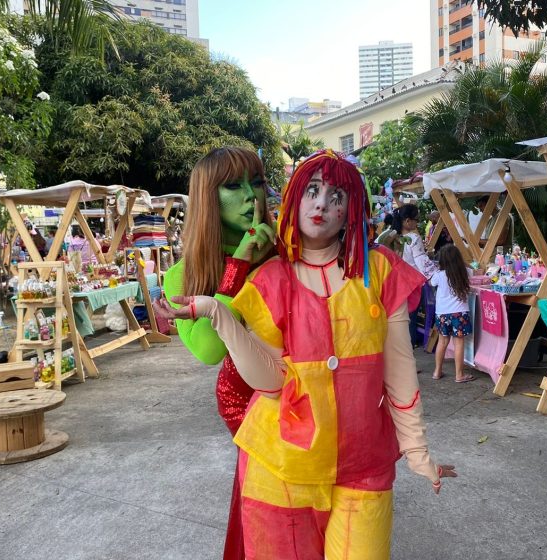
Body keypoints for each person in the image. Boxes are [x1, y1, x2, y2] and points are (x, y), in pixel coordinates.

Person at [170, 149, 455, 558]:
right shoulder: (247, 272)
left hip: (355, 449)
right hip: (272, 431)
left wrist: (416, 449)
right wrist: (224, 296)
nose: (322, 205)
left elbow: (399, 368)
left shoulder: (366, 268)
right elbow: (225, 358)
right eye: (313, 192)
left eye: (337, 197)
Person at [163, 146, 275, 560]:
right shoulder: (183, 274)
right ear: (209, 196)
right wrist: (239, 265)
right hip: (246, 399)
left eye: (257, 183)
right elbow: (210, 350)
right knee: (267, 499)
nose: (251, 196)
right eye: (233, 186)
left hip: (303, 384)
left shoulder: (285, 255)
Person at [393, 203, 437, 347]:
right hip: (412, 281)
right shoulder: (413, 237)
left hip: (395, 280)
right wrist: (437, 274)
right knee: (412, 313)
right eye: (416, 219)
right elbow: (421, 262)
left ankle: (402, 343)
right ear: (407, 221)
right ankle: (410, 343)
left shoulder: (391, 237)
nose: (417, 222)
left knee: (400, 314)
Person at [429, 244, 475, 382]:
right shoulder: (465, 272)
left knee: (442, 342)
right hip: (460, 313)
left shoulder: (438, 275)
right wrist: (464, 264)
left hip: (442, 313)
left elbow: (431, 283)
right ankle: (459, 375)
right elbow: (476, 270)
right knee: (458, 343)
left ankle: (437, 372)